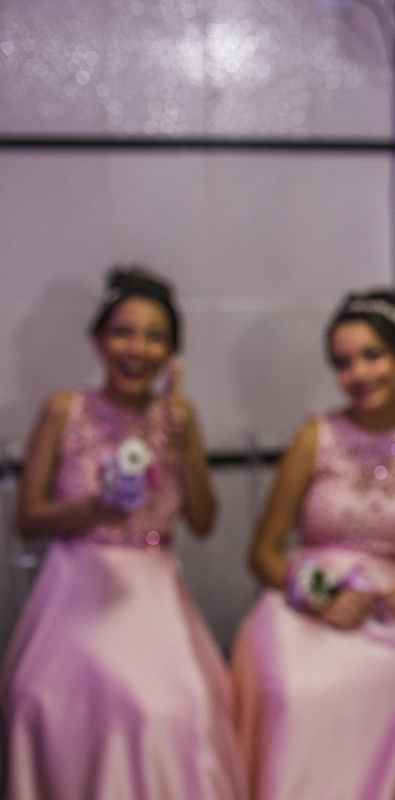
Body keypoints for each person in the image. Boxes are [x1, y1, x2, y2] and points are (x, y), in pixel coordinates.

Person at [230, 290, 395, 800]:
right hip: (303, 602)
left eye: (372, 355)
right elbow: (261, 553)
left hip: (389, 602)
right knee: (296, 694)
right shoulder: (316, 436)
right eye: (344, 363)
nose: (359, 374)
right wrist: (317, 596)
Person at [2, 266, 247, 799]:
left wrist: (183, 454)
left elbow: (203, 523)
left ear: (172, 353)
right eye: (124, 331)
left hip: (154, 594)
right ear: (98, 340)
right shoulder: (64, 410)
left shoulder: (179, 416)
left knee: (173, 711)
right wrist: (93, 507)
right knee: (38, 702)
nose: (137, 348)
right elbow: (27, 521)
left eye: (155, 336)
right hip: (74, 587)